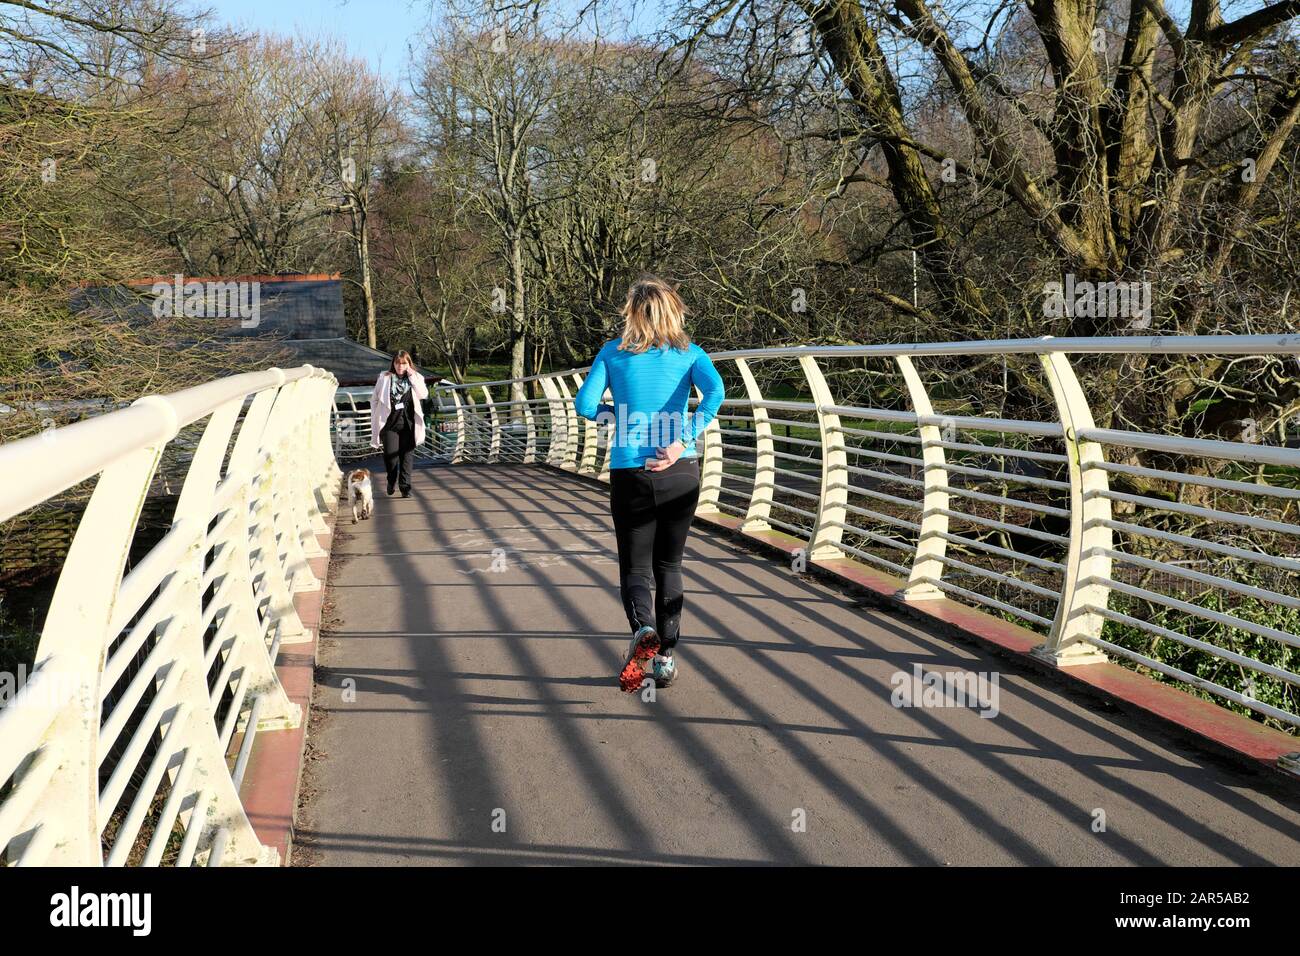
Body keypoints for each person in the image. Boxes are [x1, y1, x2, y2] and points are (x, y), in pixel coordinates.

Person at [575, 275, 725, 692]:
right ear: (673, 311)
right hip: (679, 471)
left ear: (632, 314)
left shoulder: (612, 353)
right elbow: (716, 393)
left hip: (631, 474)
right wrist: (681, 440)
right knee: (670, 565)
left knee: (636, 567)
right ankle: (665, 658)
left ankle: (643, 629)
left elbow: (584, 405)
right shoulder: (691, 354)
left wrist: (616, 418)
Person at [369, 351, 430, 498]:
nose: (400, 366)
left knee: (407, 457)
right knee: (391, 457)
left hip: (409, 423)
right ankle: (391, 480)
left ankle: (405, 487)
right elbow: (375, 399)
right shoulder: (384, 377)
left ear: (409, 364)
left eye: (404, 363)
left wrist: (411, 376)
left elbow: (423, 394)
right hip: (389, 424)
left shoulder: (416, 378)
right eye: (397, 362)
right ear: (393, 364)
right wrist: (375, 416)